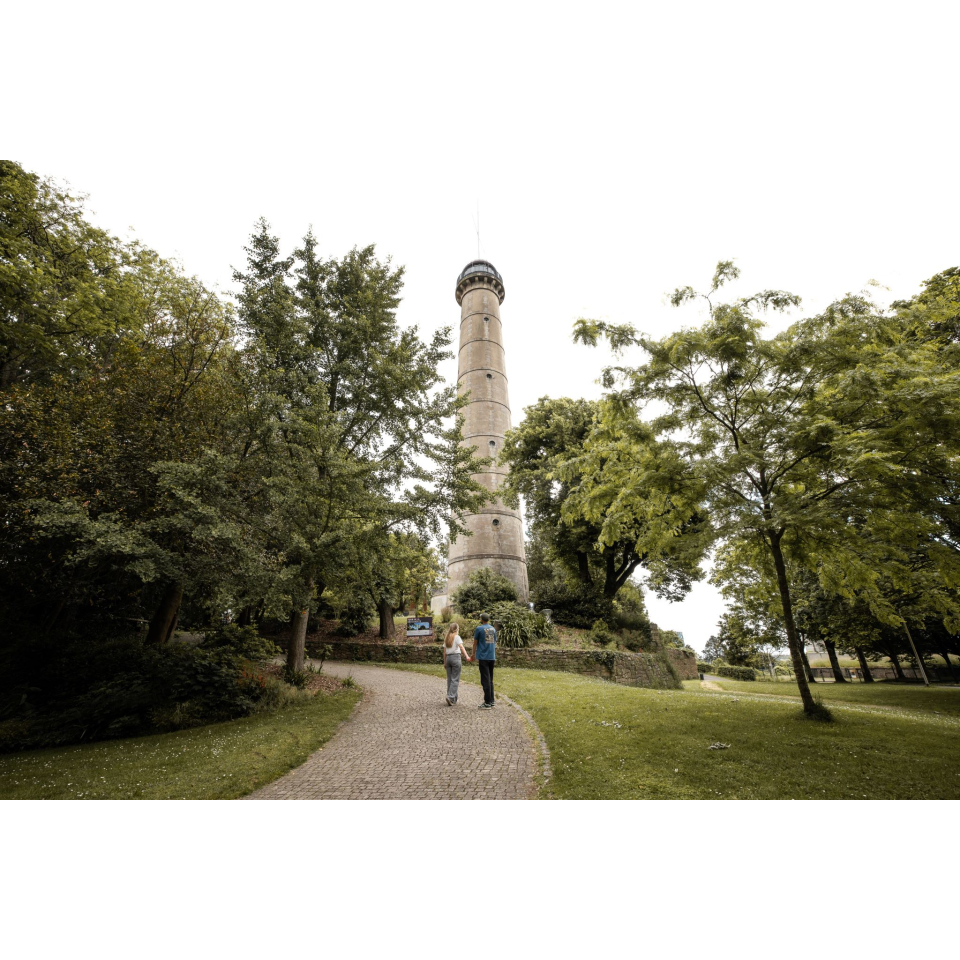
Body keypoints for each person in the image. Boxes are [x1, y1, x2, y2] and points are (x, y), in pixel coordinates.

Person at [472, 613, 497, 709]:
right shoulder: (493, 629)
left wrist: (473, 654)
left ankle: (487, 703)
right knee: (490, 679)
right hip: (491, 657)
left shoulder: (479, 629)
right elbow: (494, 641)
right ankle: (491, 701)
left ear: (481, 619)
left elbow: (475, 643)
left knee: (485, 680)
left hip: (483, 657)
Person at [443, 623, 470, 705]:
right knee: (455, 679)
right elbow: (461, 647)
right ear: (457, 629)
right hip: (455, 658)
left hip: (448, 658)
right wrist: (467, 656)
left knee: (450, 679)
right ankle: (450, 697)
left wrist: (445, 662)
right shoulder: (457, 637)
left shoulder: (447, 637)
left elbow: (444, 652)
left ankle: (452, 699)